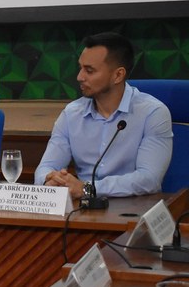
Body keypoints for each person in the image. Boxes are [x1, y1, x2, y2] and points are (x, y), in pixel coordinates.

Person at [34, 32, 172, 198]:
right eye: (80, 68)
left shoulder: (152, 113)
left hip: (132, 211)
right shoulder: (71, 114)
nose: (79, 77)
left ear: (118, 75)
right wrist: (49, 180)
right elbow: (46, 166)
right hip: (82, 211)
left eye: (89, 71)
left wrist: (87, 188)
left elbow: (149, 179)